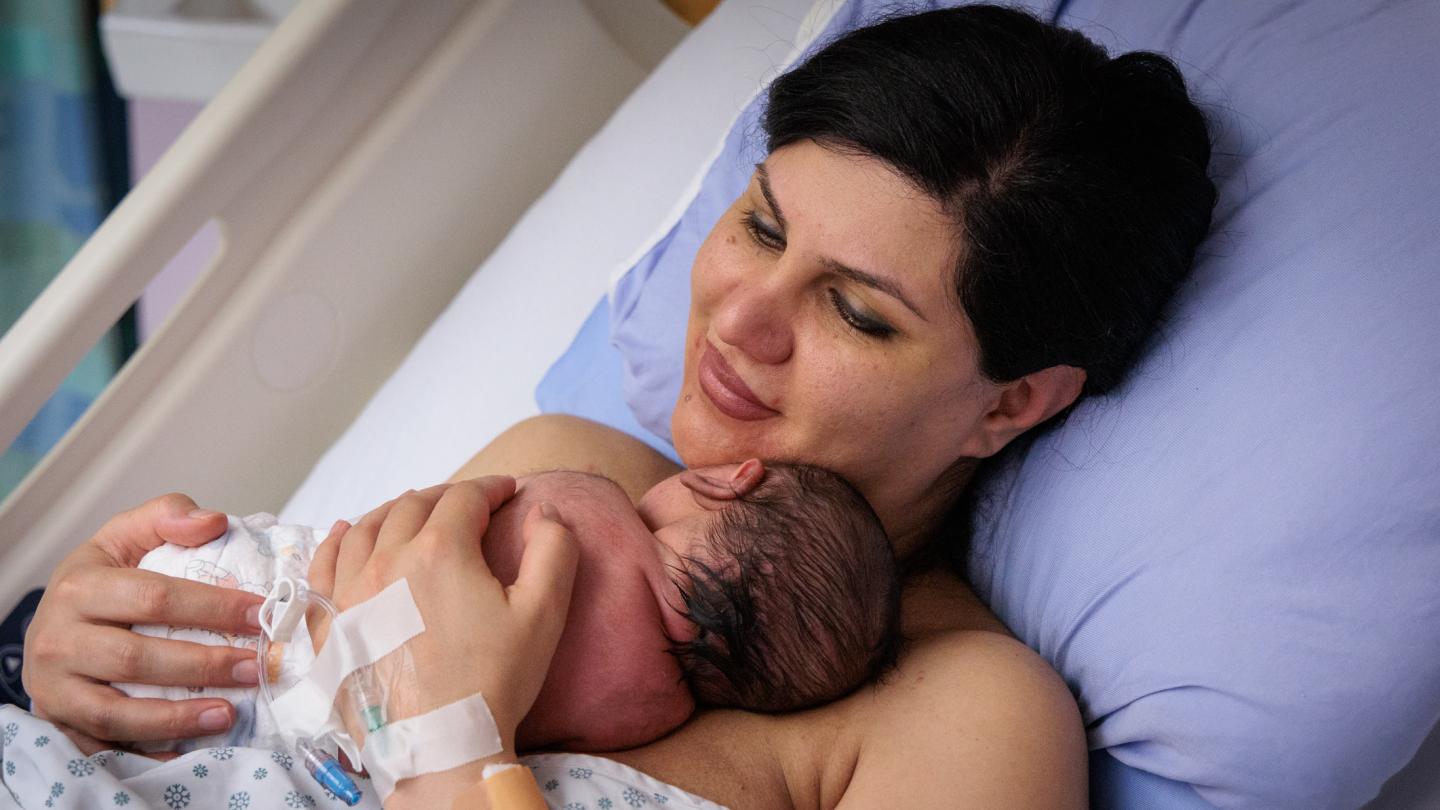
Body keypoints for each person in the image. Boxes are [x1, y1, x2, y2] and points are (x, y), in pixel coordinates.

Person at [20, 5, 1216, 807]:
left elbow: (408, 719)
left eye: (856, 313)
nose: (741, 321)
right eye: (759, 226)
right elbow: (284, 693)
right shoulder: (564, 465)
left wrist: (447, 750)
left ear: (1010, 406)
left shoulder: (968, 711)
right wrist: (93, 662)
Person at [118, 461, 899, 752]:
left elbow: (438, 524)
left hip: (256, 607)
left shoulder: (591, 509)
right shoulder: (651, 713)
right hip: (301, 744)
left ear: (734, 477)